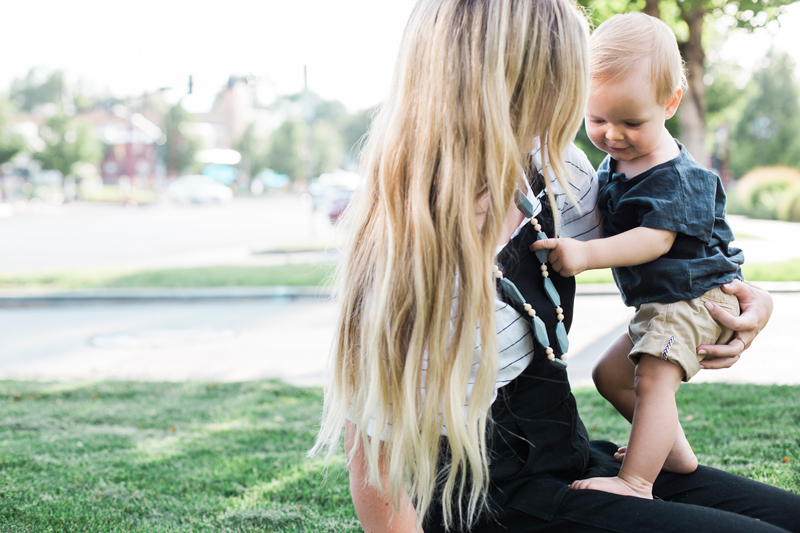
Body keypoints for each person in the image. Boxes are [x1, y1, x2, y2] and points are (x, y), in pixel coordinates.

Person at [310, 1, 797, 532]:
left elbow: (662, 243)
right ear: (517, 80)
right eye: (566, 70)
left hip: (574, 462)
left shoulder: (558, 171)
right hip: (492, 506)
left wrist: (746, 296)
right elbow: (374, 459)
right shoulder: (409, 248)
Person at [530, 13, 745, 500]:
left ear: (670, 103)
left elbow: (655, 240)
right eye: (598, 119)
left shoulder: (674, 174)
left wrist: (586, 254)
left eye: (631, 121)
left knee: (652, 380)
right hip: (665, 304)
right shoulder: (616, 165)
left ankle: (637, 481)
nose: (613, 135)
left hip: (697, 300)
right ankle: (674, 454)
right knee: (611, 376)